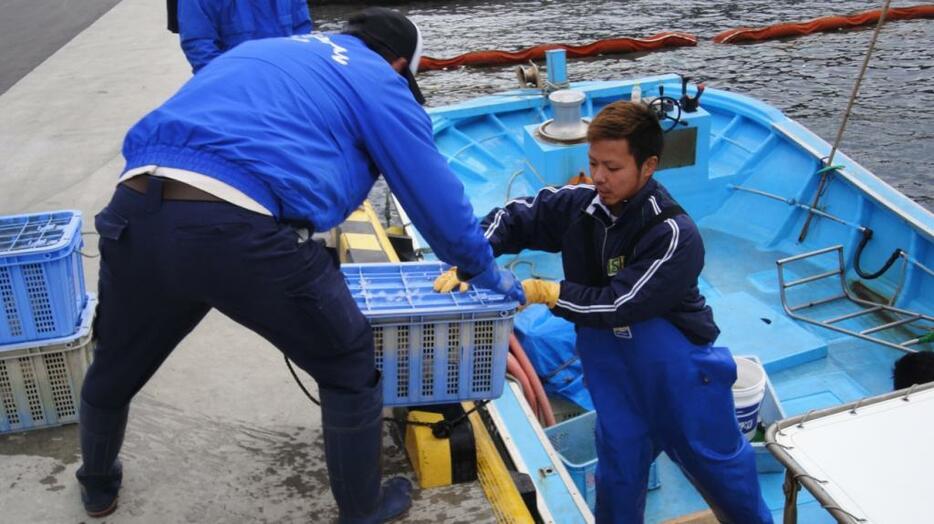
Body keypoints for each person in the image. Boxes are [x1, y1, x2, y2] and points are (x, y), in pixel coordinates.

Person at [76, 8, 524, 522]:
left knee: (116, 363)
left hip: (135, 210)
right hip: (236, 232)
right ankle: (364, 509)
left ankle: (96, 486)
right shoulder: (378, 80)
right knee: (349, 363)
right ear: (400, 63)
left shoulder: (265, 50)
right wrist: (482, 268)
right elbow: (433, 196)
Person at [436, 100, 772, 523]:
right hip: (614, 378)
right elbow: (515, 217)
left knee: (725, 474)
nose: (598, 177)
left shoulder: (673, 233)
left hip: (680, 380)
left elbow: (622, 302)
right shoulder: (581, 205)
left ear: (647, 166)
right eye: (593, 163)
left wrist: (543, 290)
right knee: (617, 478)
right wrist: (471, 258)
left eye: (612, 168)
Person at [177, 0, 313, 73]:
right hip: (235, 87)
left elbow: (302, 32)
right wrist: (226, 85)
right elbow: (199, 45)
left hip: (283, 80)